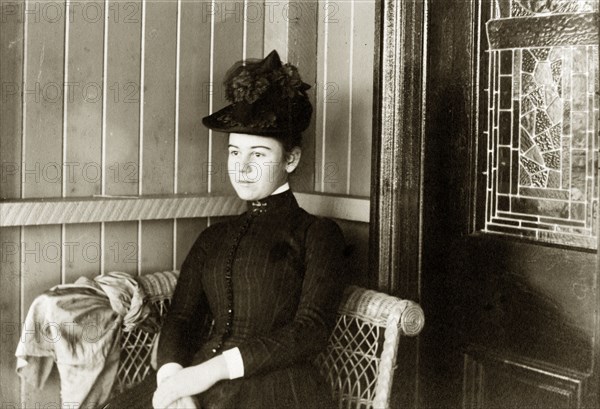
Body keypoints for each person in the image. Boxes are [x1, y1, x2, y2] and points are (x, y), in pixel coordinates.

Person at [102, 50, 348, 409]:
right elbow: (181, 318)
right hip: (195, 381)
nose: (243, 167)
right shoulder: (213, 237)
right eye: (235, 153)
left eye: (259, 155)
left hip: (278, 389)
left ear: (291, 159)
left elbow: (310, 331)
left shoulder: (318, 234)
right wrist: (175, 383)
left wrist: (210, 371)